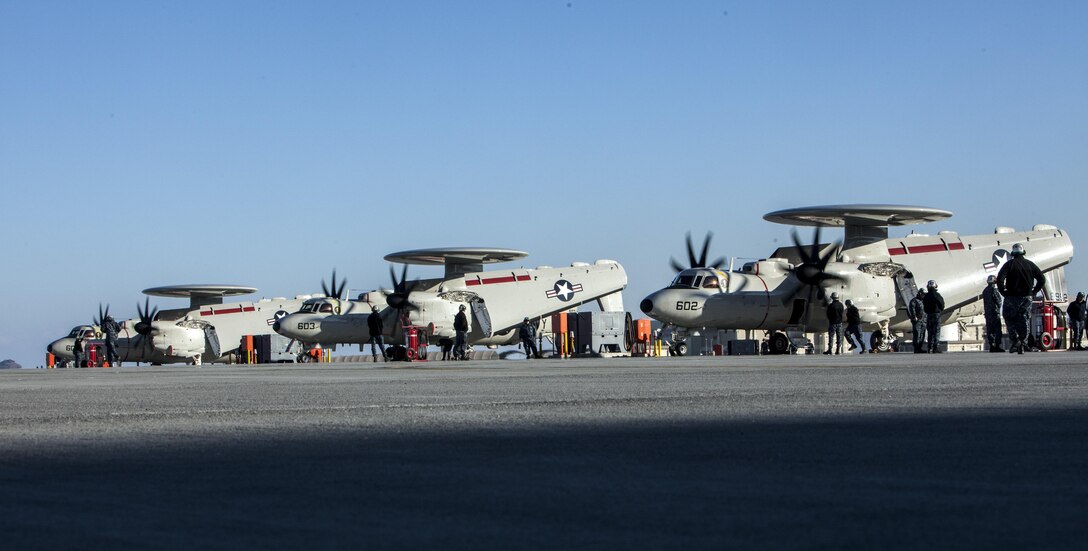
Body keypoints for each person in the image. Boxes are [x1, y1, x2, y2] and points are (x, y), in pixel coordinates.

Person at [996, 243, 1046, 354]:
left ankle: (1015, 342)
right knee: (1024, 319)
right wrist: (1033, 292)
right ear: (1023, 252)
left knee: (1010, 319)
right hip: (1026, 297)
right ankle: (1023, 343)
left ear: (1013, 253)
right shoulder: (1030, 265)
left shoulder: (1009, 265)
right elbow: (1042, 279)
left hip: (1011, 297)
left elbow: (1000, 279)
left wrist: (1003, 292)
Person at [981, 275, 1005, 352]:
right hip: (995, 313)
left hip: (988, 314)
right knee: (997, 329)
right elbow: (999, 301)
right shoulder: (994, 290)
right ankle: (997, 346)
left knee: (990, 330)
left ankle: (992, 345)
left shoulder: (985, 291)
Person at [922, 280, 945, 353]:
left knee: (930, 331)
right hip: (936, 315)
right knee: (936, 331)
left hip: (929, 315)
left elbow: (924, 306)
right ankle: (936, 347)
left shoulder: (926, 296)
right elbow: (941, 304)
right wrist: (940, 310)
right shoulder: (937, 295)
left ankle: (929, 347)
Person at [909, 289, 927, 353]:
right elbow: (912, 310)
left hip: (924, 320)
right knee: (917, 334)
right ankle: (916, 348)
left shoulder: (924, 301)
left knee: (922, 334)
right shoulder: (914, 301)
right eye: (923, 294)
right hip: (917, 321)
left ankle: (920, 347)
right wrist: (914, 317)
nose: (924, 296)